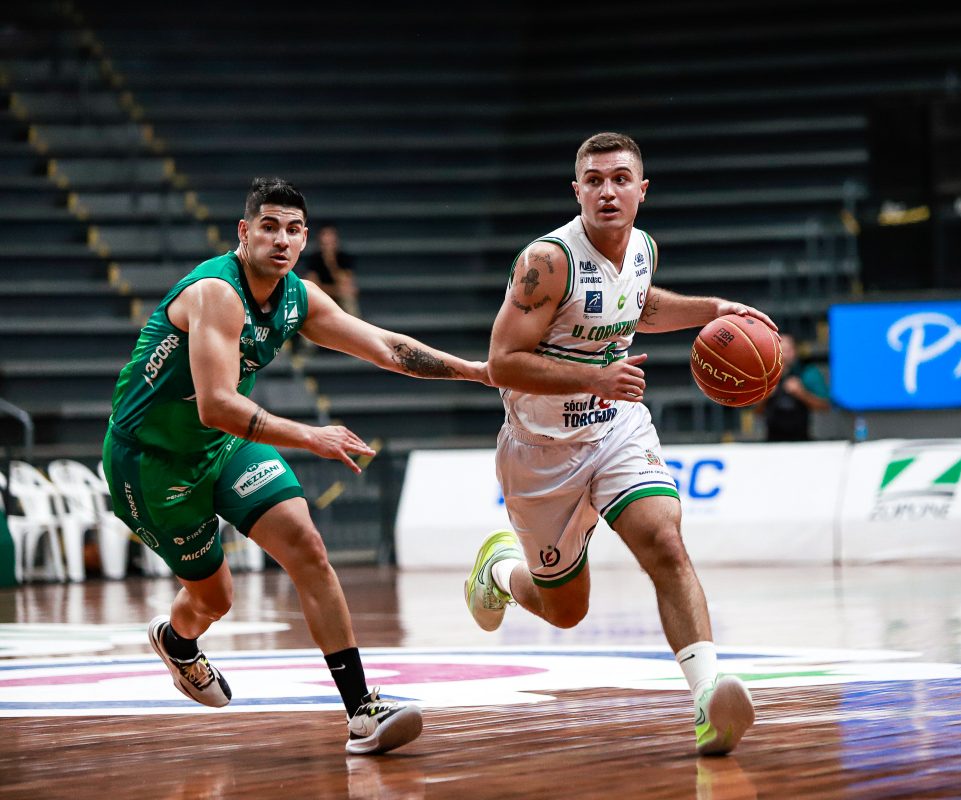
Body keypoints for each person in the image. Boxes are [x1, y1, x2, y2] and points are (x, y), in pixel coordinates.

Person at [103, 177, 489, 755]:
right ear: (244, 232)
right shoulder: (216, 293)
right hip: (152, 463)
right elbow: (217, 404)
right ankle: (179, 643)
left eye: (292, 229)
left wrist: (475, 371)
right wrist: (312, 436)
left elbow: (386, 347)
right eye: (269, 226)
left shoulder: (296, 297)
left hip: (224, 447)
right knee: (214, 599)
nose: (281, 239)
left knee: (308, 547)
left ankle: (362, 710)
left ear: (304, 239)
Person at [467, 132, 770, 756]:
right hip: (539, 448)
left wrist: (712, 308)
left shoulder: (644, 249)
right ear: (577, 190)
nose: (608, 190)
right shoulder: (547, 262)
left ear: (641, 190)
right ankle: (499, 569)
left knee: (664, 538)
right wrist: (594, 375)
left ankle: (708, 697)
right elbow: (501, 362)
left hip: (614, 427)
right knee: (564, 611)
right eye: (595, 180)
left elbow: (639, 306)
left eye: (621, 178)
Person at [757, 333, 831, 442]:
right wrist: (766, 396)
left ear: (796, 351)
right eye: (781, 351)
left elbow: (825, 405)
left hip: (802, 441)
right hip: (772, 443)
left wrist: (802, 394)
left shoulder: (807, 372)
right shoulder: (764, 375)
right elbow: (754, 411)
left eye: (788, 350)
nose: (785, 356)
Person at [304, 223, 360, 317]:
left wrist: (331, 263)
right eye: (325, 235)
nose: (328, 240)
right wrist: (335, 290)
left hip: (338, 295)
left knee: (348, 299)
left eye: (330, 236)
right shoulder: (314, 259)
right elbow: (312, 286)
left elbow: (346, 284)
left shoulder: (344, 258)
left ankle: (355, 328)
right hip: (322, 295)